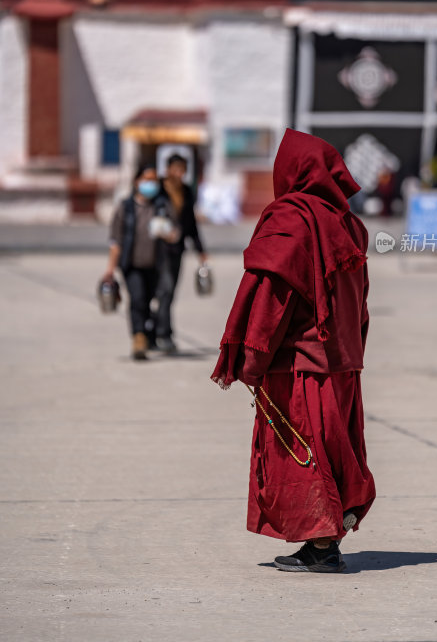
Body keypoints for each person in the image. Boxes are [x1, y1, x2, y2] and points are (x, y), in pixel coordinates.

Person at [211, 128, 376, 573]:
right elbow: (361, 302)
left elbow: (270, 296)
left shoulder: (291, 219)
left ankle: (322, 547)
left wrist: (251, 358)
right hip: (342, 363)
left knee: (306, 452)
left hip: (300, 363)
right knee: (331, 448)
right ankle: (326, 540)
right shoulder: (348, 224)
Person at [103, 163, 176, 361]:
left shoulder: (162, 206)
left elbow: (175, 234)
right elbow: (115, 241)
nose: (150, 184)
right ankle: (138, 338)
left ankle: (146, 333)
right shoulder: (125, 207)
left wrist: (167, 233)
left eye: (154, 180)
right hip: (131, 264)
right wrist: (110, 270)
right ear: (137, 181)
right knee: (136, 299)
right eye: (146, 179)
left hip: (156, 265)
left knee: (148, 301)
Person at [155, 153, 207, 353]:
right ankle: (163, 334)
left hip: (177, 250)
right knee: (164, 290)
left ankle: (160, 329)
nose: (179, 174)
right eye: (176, 169)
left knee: (169, 292)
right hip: (158, 250)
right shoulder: (158, 189)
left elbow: (190, 224)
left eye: (182, 170)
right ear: (168, 169)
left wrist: (200, 250)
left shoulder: (186, 191)